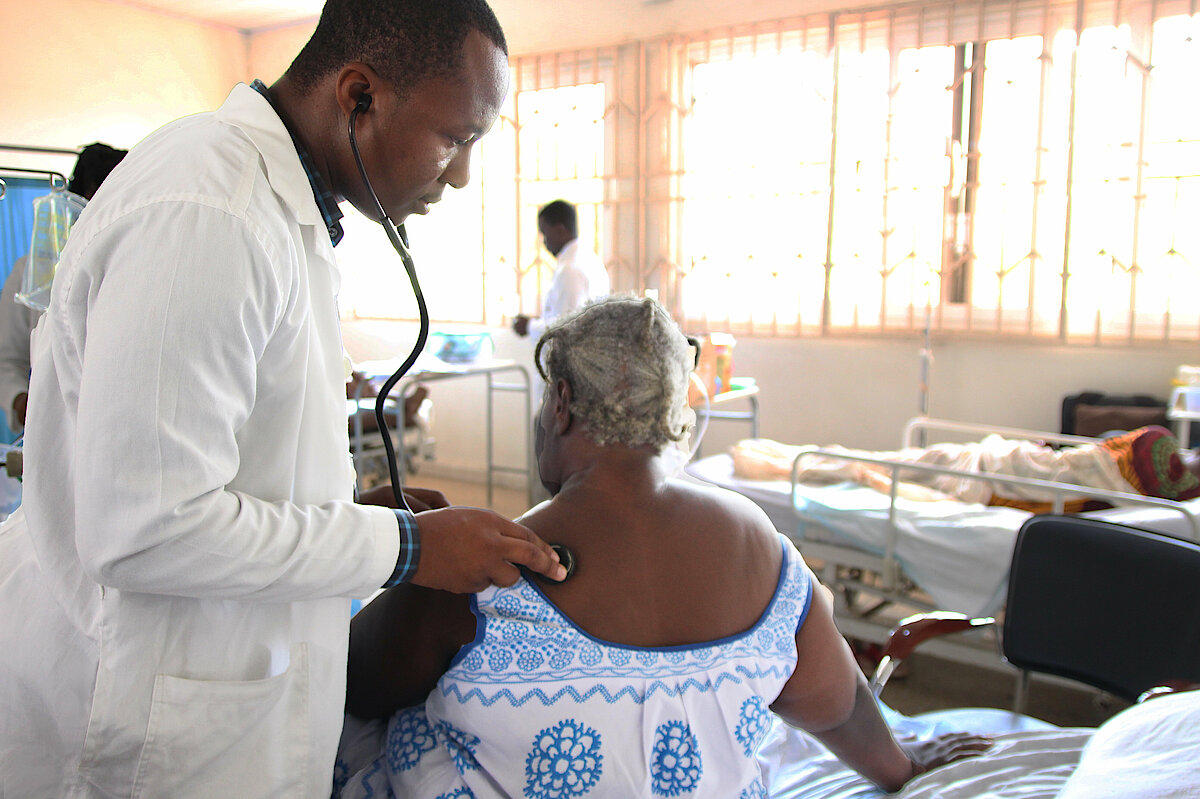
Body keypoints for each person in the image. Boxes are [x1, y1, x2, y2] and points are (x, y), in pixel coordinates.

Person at [0, 1, 566, 796]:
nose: (462, 174)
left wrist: (343, 509)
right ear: (359, 95)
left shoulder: (277, 209)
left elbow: (218, 461)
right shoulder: (209, 212)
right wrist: (405, 547)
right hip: (141, 711)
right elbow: (141, 527)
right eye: (454, 138)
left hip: (208, 689)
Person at [335, 296, 990, 797]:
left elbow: (353, 685)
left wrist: (405, 549)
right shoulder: (763, 547)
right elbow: (838, 704)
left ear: (560, 403)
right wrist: (902, 767)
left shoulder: (487, 572)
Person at [0, 143, 127, 434]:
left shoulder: (136, 272)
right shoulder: (32, 275)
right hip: (54, 428)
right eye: (95, 199)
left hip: (115, 425)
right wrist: (22, 401)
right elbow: (6, 362)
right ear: (75, 202)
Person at [511, 199, 610, 340]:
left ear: (560, 230)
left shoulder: (570, 269)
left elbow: (567, 327)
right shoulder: (589, 258)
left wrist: (529, 326)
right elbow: (568, 314)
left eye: (545, 234)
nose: (544, 242)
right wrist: (540, 320)